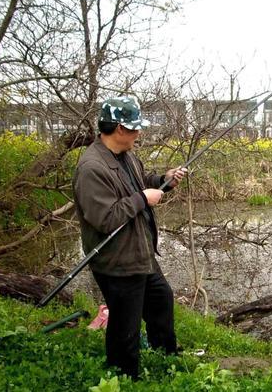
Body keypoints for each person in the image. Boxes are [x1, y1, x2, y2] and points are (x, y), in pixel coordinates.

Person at [73, 96, 187, 380]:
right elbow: (105, 218)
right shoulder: (91, 168)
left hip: (140, 252)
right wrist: (141, 199)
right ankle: (124, 376)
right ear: (119, 129)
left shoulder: (126, 156)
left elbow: (142, 181)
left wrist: (165, 179)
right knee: (126, 324)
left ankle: (167, 356)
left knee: (161, 300)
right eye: (135, 128)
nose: (139, 133)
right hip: (117, 260)